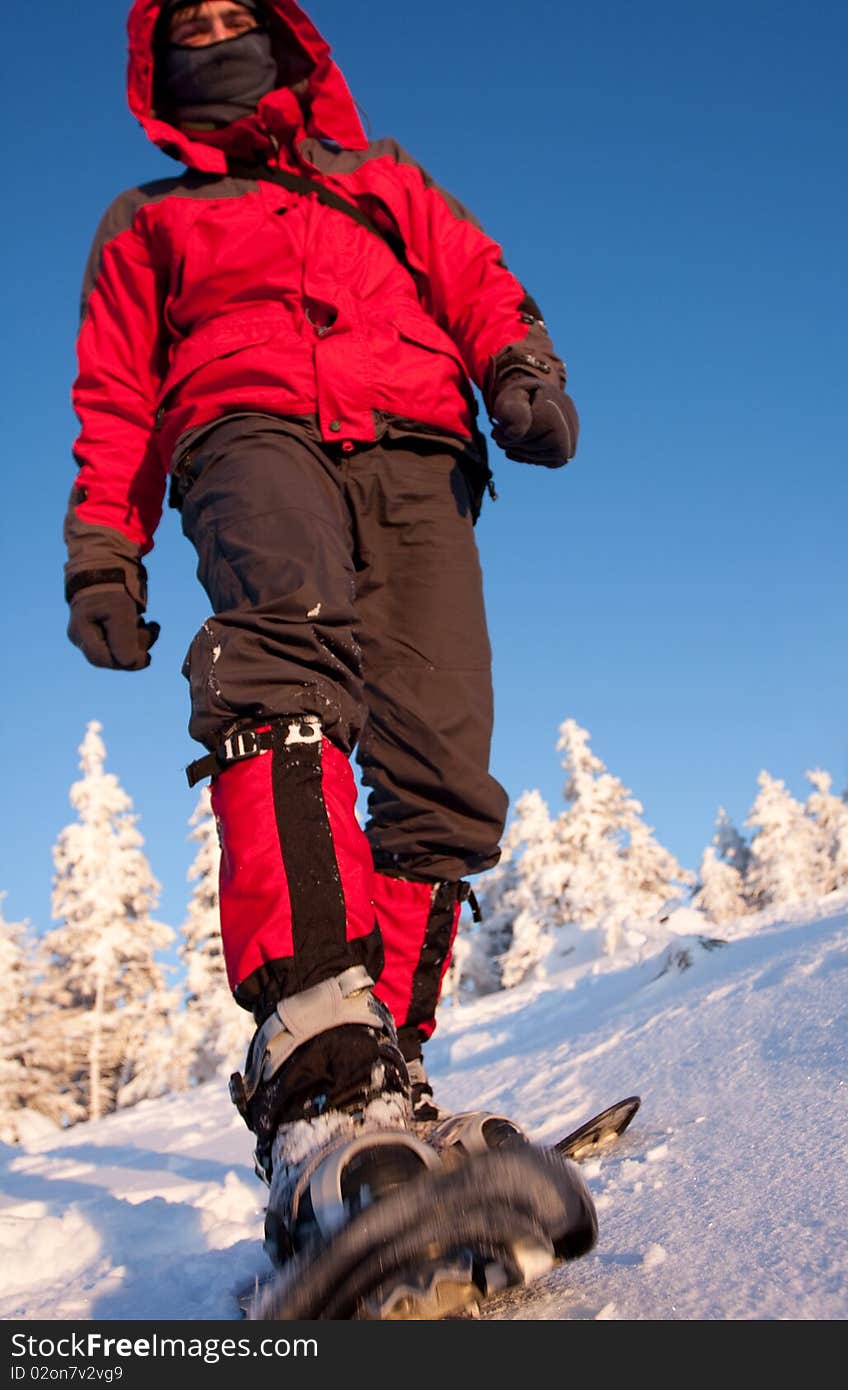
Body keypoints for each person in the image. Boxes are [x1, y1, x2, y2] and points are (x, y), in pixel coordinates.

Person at [66, 0, 579, 1282]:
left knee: (445, 770)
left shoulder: (381, 178)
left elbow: (476, 276)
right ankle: (317, 1074)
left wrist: (520, 368)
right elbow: (118, 389)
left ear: (286, 37)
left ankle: (387, 1085)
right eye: (193, 25)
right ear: (158, 62)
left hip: (417, 449)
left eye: (240, 15)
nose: (218, 38)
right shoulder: (151, 219)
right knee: (282, 656)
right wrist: (101, 550)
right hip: (244, 431)